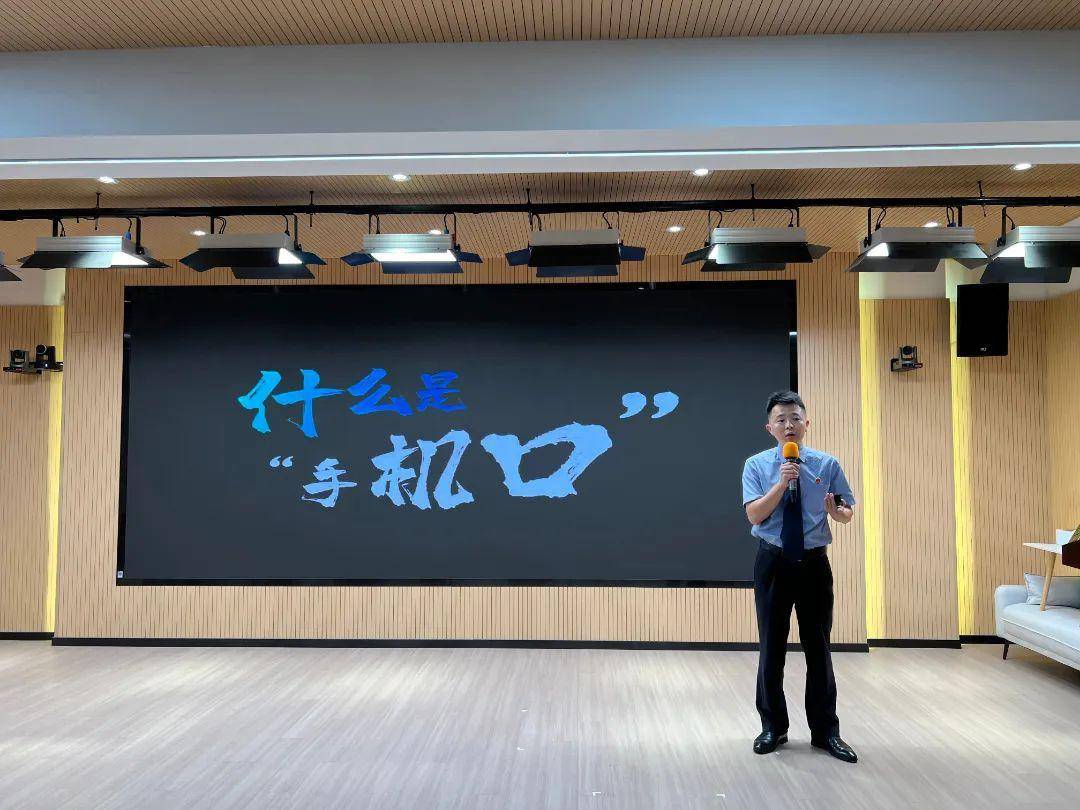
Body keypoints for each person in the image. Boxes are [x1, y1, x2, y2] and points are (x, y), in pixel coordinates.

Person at [741, 390, 858, 763]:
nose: (788, 425)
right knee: (772, 647)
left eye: (795, 418)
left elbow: (846, 510)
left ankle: (825, 733)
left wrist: (838, 514)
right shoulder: (756, 465)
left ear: (807, 423)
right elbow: (754, 515)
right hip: (773, 561)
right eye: (781, 419)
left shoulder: (827, 464)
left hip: (814, 564)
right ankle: (773, 728)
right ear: (770, 428)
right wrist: (781, 483)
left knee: (818, 647)